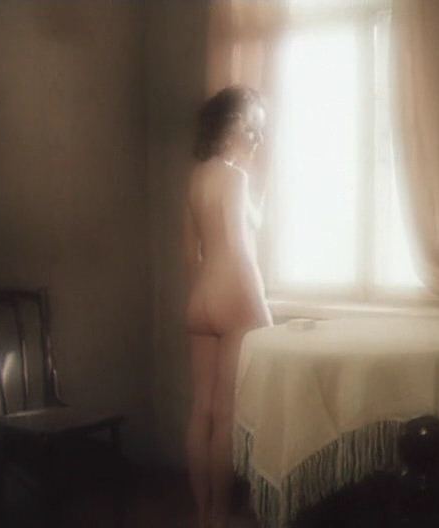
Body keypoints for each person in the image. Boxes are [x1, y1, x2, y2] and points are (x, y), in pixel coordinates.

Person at [183, 85, 273, 528]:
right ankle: (220, 515)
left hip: (200, 297)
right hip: (232, 293)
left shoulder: (199, 176)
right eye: (253, 129)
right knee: (226, 414)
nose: (257, 139)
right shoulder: (234, 179)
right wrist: (262, 312)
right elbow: (239, 250)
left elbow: (193, 253)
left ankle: (202, 513)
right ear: (234, 126)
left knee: (202, 409)